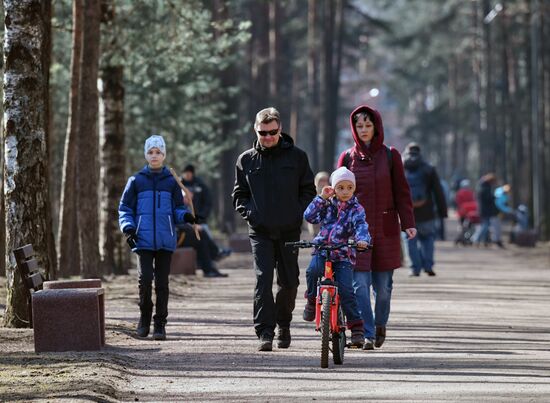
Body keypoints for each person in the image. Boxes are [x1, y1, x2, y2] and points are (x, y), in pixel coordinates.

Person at [232, 107, 316, 352]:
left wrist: (296, 212)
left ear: (280, 129)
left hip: (290, 230)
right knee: (262, 280)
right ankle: (265, 332)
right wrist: (251, 214)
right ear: (255, 131)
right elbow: (239, 194)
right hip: (260, 231)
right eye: (262, 132)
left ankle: (284, 324)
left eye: (272, 132)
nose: (267, 137)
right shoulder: (246, 159)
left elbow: (308, 191)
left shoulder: (298, 157)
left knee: (289, 283)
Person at [338, 105, 416, 350]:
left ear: (376, 127)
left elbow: (402, 192)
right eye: (359, 126)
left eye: (368, 125)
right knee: (359, 285)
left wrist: (409, 223)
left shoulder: (391, 156)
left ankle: (380, 323)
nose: (363, 130)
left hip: (385, 228)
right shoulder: (347, 158)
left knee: (383, 289)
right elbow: (339, 197)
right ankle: (368, 333)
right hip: (356, 231)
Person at [119, 134, 195, 340]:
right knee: (144, 280)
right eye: (151, 152)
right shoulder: (136, 181)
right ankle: (144, 318)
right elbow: (125, 208)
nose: (154, 156)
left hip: (165, 239)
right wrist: (128, 227)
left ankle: (160, 323)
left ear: (164, 155)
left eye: (158, 152)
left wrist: (185, 216)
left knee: (162, 283)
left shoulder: (171, 182)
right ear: (146, 154)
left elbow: (178, 208)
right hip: (141, 239)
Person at [302, 167, 372, 347]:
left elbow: (361, 226)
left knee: (347, 290)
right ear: (333, 188)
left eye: (350, 187)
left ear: (354, 189)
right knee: (312, 271)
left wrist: (362, 240)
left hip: (343, 254)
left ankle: (356, 328)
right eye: (340, 187)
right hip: (323, 250)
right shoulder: (327, 204)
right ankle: (311, 300)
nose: (345, 191)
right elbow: (309, 216)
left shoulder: (357, 209)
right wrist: (321, 198)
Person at [403, 142, 448, 276]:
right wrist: (442, 211)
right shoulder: (429, 168)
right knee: (428, 238)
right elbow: (438, 191)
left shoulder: (401, 167)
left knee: (410, 239)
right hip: (427, 211)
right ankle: (428, 265)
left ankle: (415, 268)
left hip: (407, 212)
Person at [178, 164, 230, 277]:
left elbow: (207, 203)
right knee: (202, 235)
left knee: (203, 234)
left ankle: (211, 265)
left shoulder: (200, 184)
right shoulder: (176, 198)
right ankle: (215, 254)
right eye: (186, 196)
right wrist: (191, 225)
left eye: (190, 196)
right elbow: (177, 219)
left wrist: (198, 219)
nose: (189, 198)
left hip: (195, 224)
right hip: (179, 234)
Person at [472, 173, 498, 247]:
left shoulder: (482, 186)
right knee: (485, 226)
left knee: (485, 226)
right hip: (485, 210)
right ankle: (476, 239)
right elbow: (487, 199)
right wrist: (493, 197)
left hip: (483, 209)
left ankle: (484, 241)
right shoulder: (485, 188)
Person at [454, 179, 479, 246]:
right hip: (470, 212)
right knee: (468, 227)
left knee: (463, 227)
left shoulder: (459, 193)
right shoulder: (470, 192)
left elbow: (457, 203)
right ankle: (464, 239)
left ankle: (462, 239)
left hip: (462, 212)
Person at [307, 171, 330, 237]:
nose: (323, 183)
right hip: (316, 231)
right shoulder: (311, 195)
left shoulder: (332, 196)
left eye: (325, 181)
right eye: (321, 181)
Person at [493, 184, 513, 248]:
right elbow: (500, 205)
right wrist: (508, 210)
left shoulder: (500, 195)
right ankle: (497, 241)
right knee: (497, 228)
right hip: (496, 213)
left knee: (498, 227)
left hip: (498, 213)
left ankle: (497, 240)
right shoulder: (501, 196)